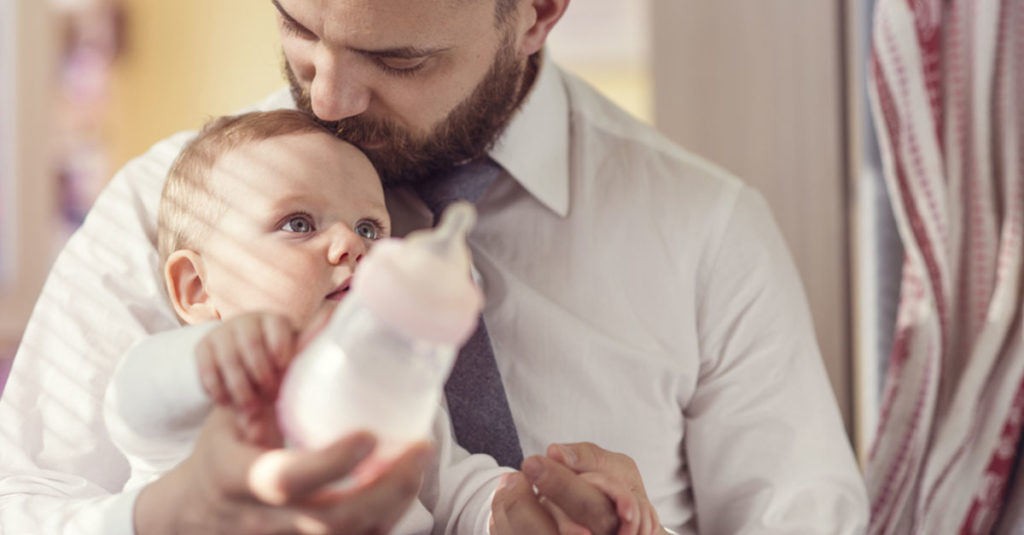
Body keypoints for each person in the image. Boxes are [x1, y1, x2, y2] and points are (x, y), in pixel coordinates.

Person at [0, 0, 870, 533]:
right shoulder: (169, 205)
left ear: (537, 10)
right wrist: (167, 518)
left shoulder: (710, 235)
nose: (329, 97)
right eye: (299, 25)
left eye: (398, 58)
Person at [101, 109, 513, 534]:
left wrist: (507, 506)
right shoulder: (202, 392)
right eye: (299, 224)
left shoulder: (388, 386)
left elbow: (456, 491)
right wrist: (209, 354)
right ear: (197, 289)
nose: (351, 243)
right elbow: (131, 397)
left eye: (370, 229)